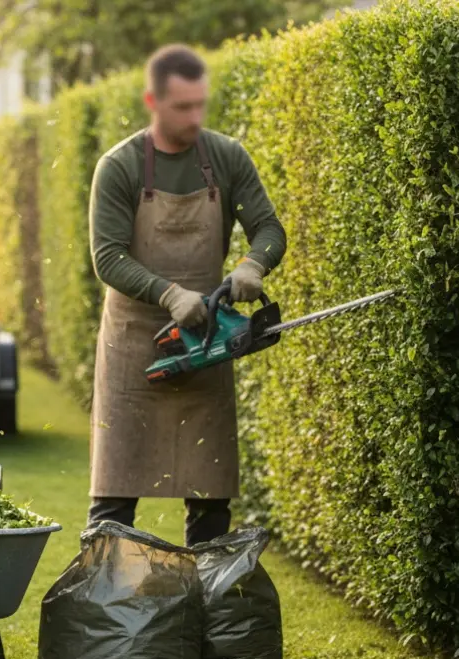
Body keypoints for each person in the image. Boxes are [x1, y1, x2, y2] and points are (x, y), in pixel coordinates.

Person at [85, 43, 287, 546]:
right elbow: (107, 257)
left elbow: (268, 228)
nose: (195, 116)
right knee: (114, 495)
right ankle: (106, 611)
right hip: (135, 345)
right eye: (182, 107)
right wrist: (170, 294)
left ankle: (203, 606)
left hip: (204, 344)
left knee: (210, 495)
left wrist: (252, 263)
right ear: (152, 102)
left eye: (200, 104)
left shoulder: (225, 157)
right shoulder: (120, 167)